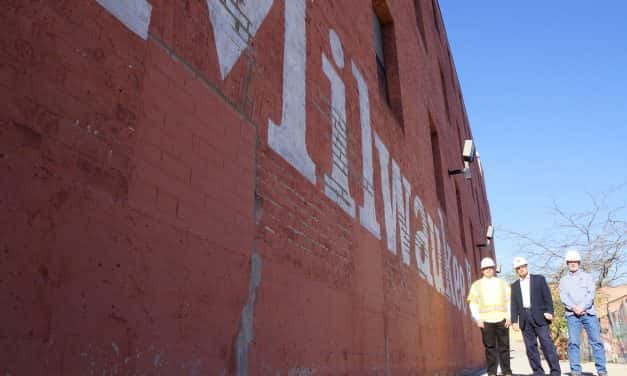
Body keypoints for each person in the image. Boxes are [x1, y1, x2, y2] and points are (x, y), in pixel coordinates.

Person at [559, 249, 607, 376]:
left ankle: (601, 370)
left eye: (575, 261)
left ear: (579, 262)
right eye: (570, 261)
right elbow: (563, 297)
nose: (573, 263)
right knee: (573, 343)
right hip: (572, 315)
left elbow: (591, 294)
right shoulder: (563, 281)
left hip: (589, 314)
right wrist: (574, 307)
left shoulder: (588, 277)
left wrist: (582, 307)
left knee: (596, 341)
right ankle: (575, 370)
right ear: (567, 263)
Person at [510, 256, 561, 376]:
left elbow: (547, 297)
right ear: (516, 270)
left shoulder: (539, 279)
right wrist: (514, 320)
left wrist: (550, 311)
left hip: (540, 317)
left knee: (547, 344)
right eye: (518, 268)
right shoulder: (514, 285)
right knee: (530, 348)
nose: (521, 269)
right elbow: (514, 304)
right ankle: (538, 372)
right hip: (524, 319)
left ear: (527, 266)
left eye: (522, 266)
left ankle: (555, 371)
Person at [467, 257, 512, 376]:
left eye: (490, 268)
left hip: (502, 319)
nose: (488, 270)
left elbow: (509, 301)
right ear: (482, 270)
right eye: (485, 268)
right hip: (485, 321)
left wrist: (509, 316)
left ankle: (507, 372)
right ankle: (492, 372)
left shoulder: (502, 283)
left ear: (493, 269)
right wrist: (477, 318)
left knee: (504, 347)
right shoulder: (476, 285)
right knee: (490, 348)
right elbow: (473, 303)